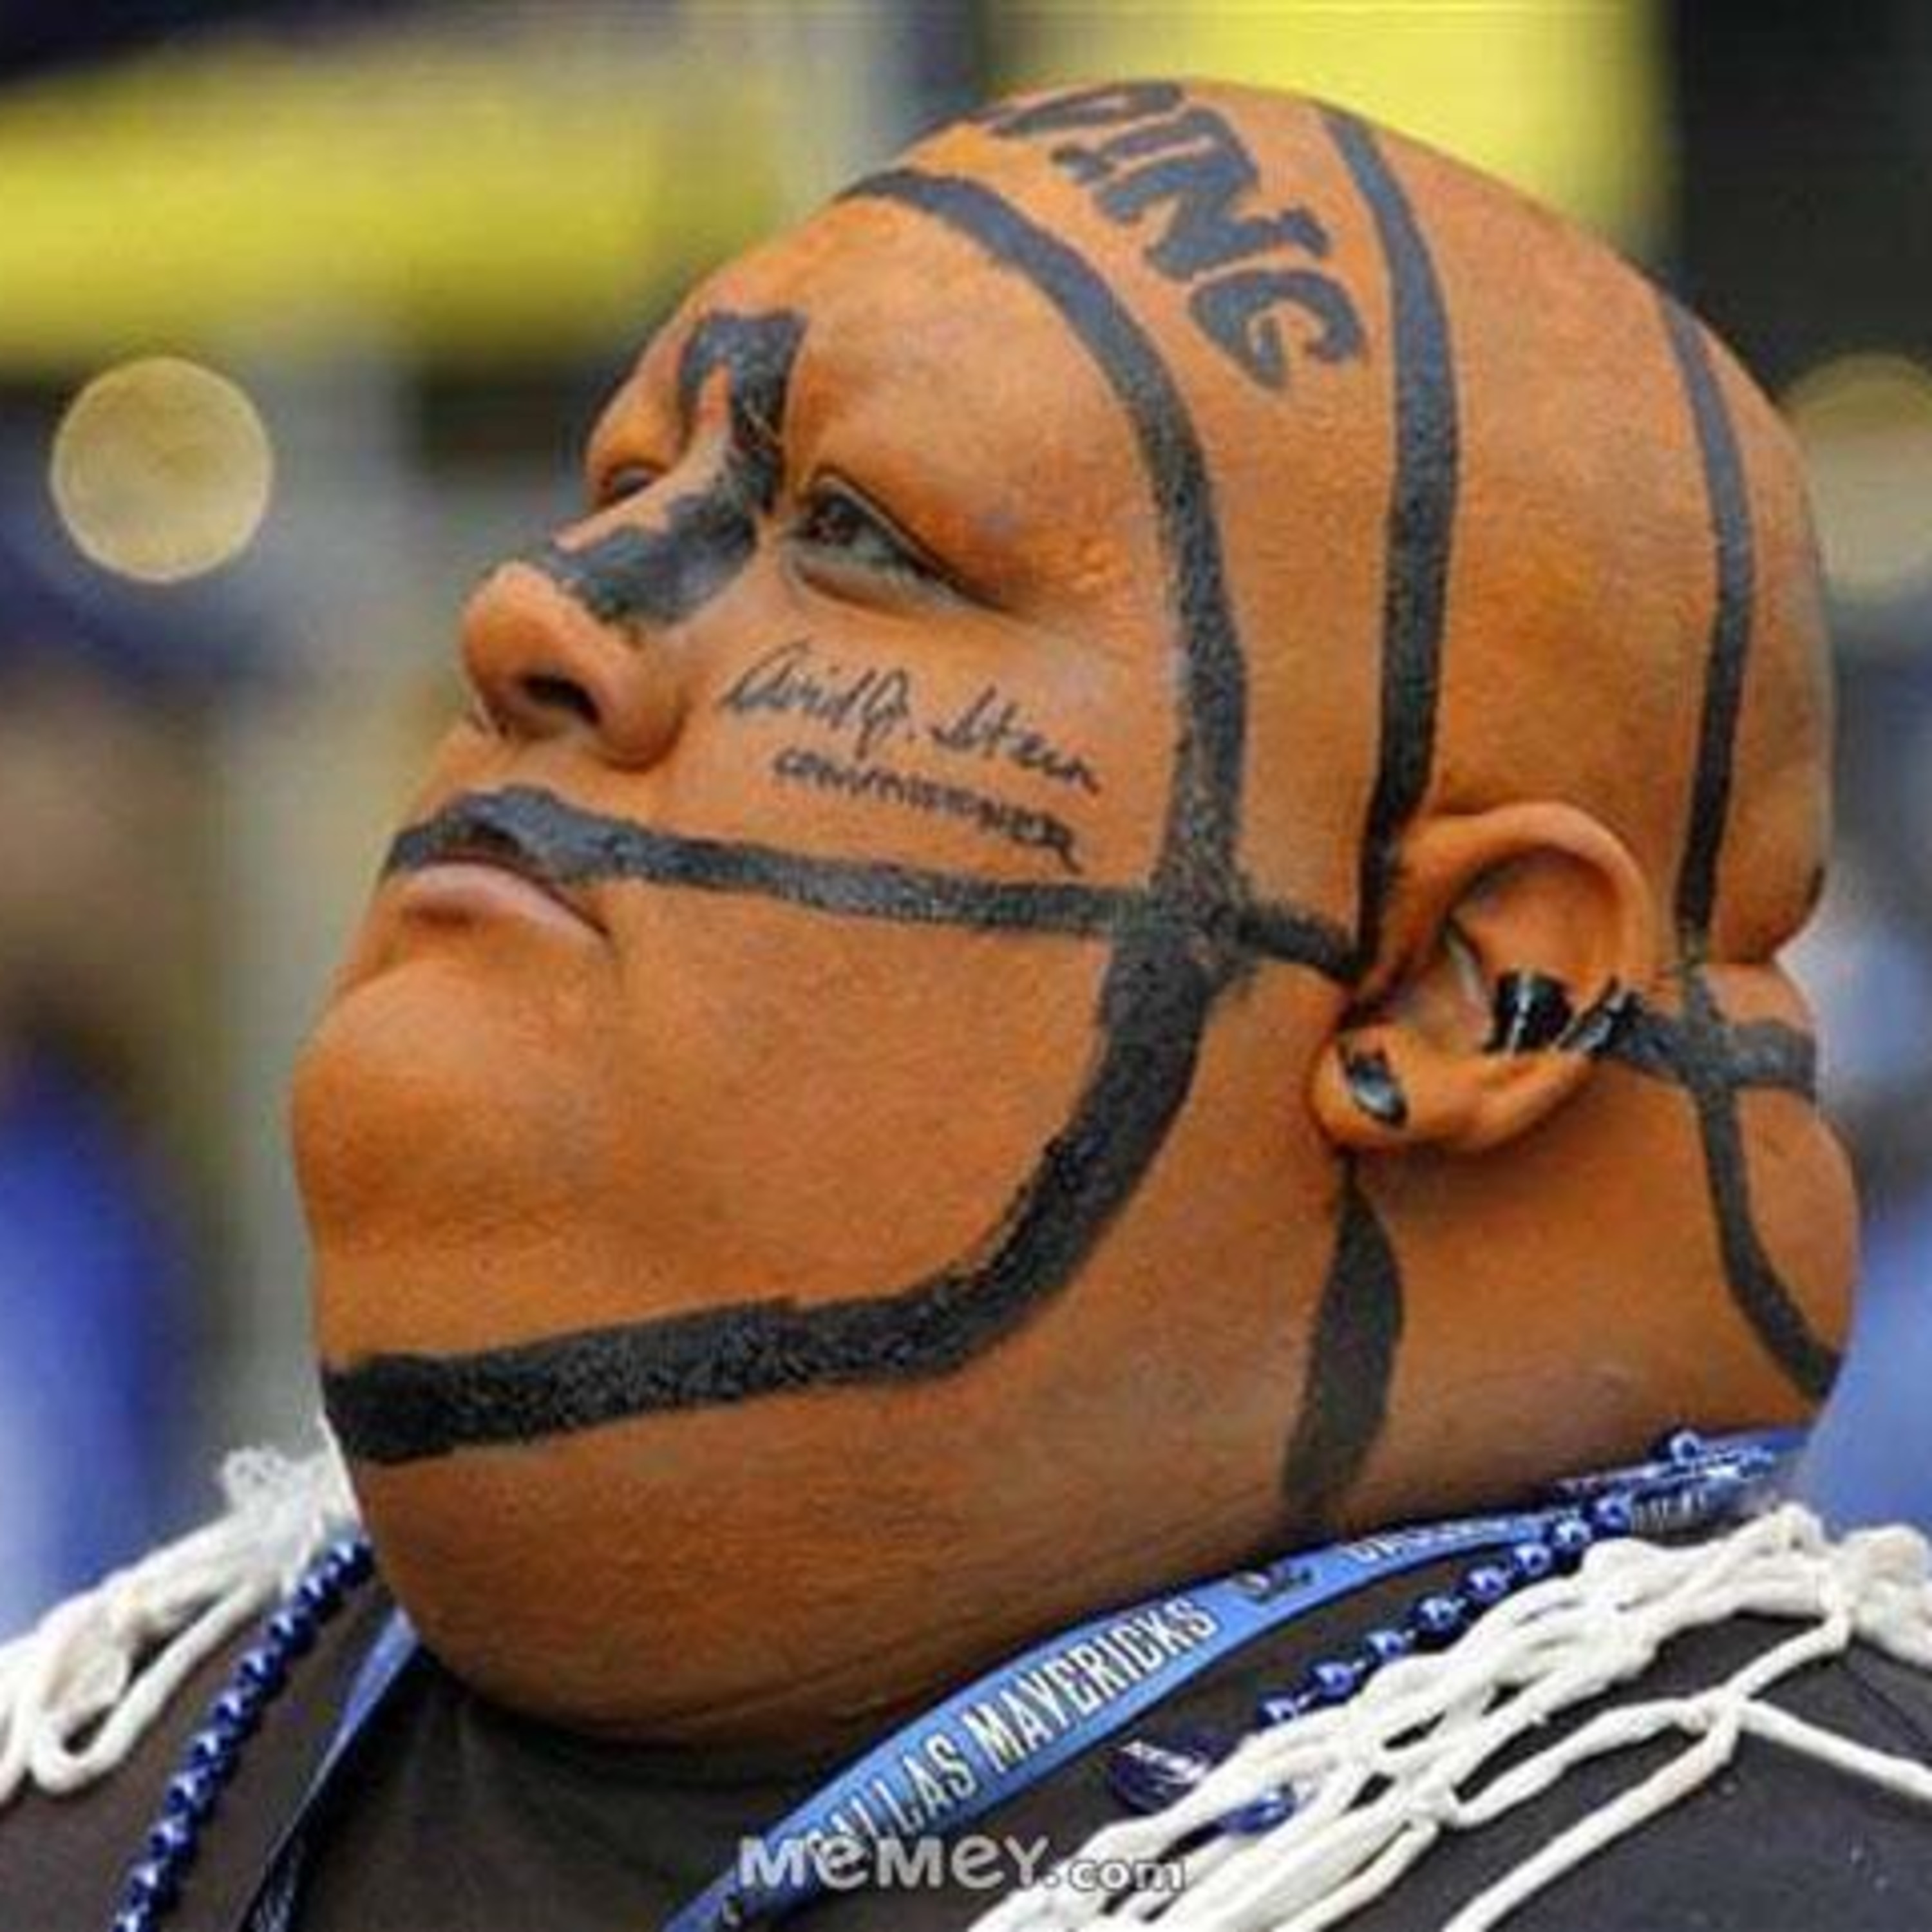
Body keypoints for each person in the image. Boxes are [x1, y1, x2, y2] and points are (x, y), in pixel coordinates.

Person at [3, 79, 1931, 1932]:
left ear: (1453, 990)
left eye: (861, 533)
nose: (532, 611)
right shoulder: (111, 1752)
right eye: (626, 488)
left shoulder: (1764, 1869)